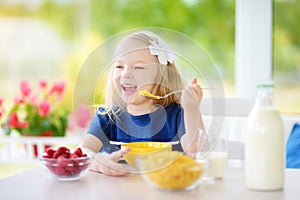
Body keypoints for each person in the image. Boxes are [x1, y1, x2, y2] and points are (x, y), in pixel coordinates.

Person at [80, 30, 206, 176]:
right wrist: (97, 162)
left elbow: (196, 151)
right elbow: (81, 152)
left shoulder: (178, 115)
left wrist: (192, 110)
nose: (126, 74)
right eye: (119, 66)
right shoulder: (107, 118)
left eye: (138, 67)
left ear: (161, 75)